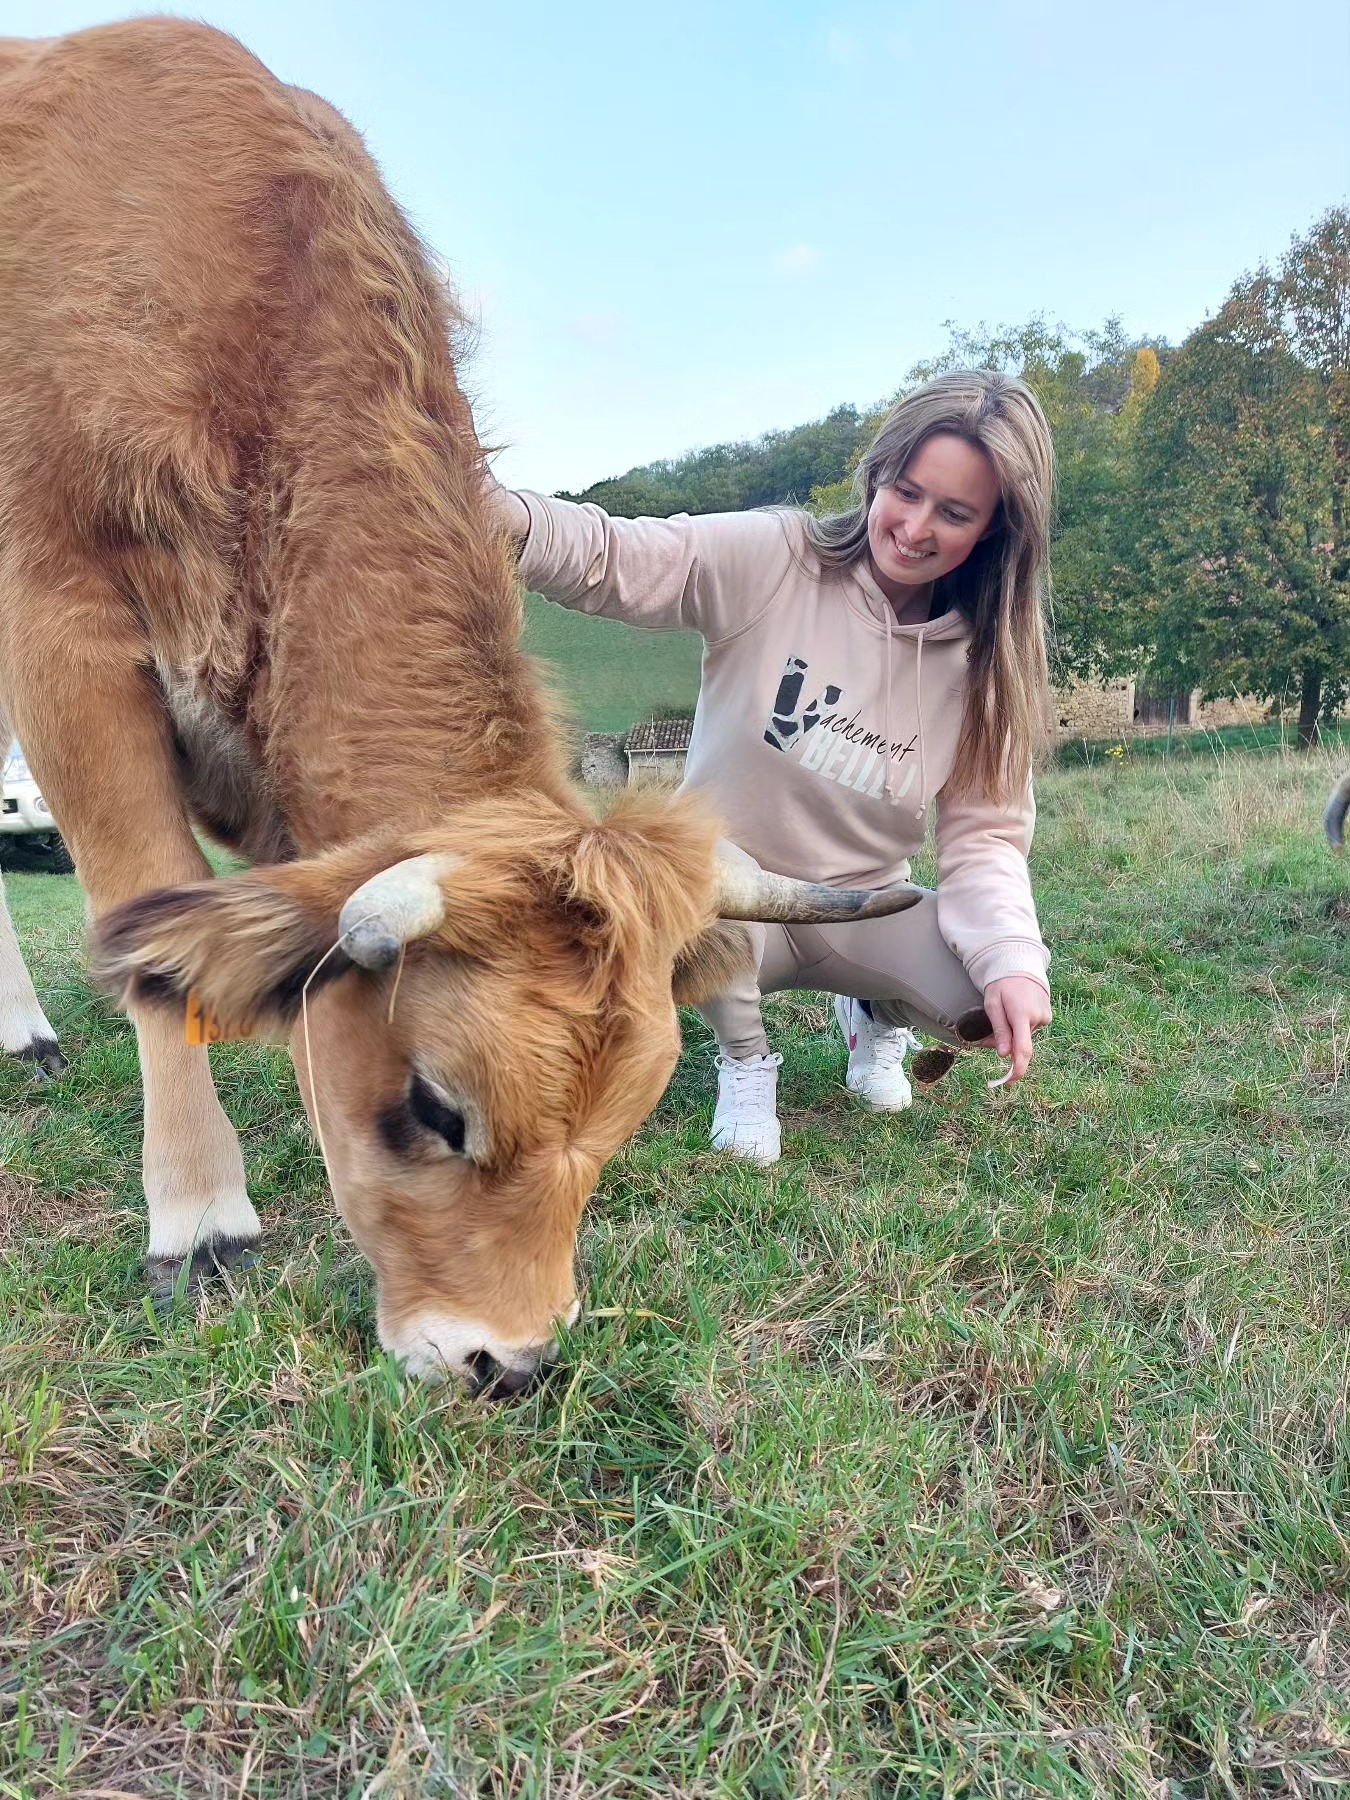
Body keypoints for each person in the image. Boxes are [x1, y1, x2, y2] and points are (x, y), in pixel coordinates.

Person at [487, 370, 1055, 1164]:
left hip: (858, 905)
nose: (916, 527)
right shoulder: (782, 559)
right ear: (876, 475)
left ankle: (869, 1017)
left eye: (955, 513)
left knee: (976, 1000)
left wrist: (1013, 965)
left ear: (996, 530)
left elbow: (985, 843)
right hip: (726, 898)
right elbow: (619, 555)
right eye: (907, 490)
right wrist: (498, 512)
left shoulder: (986, 666)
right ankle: (746, 1063)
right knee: (699, 870)